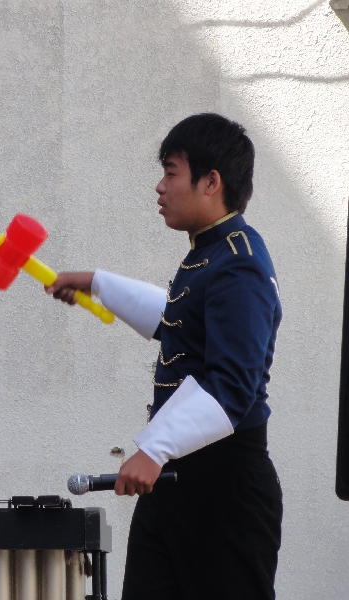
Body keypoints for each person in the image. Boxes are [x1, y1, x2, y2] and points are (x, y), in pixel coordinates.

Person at [47, 113, 283, 599]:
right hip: (177, 481)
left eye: (171, 173)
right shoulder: (212, 253)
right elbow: (179, 320)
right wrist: (98, 284)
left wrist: (153, 449)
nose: (160, 187)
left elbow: (232, 384)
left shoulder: (238, 264)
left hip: (225, 491)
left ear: (211, 182)